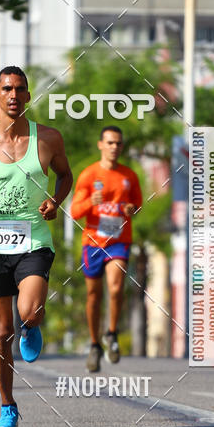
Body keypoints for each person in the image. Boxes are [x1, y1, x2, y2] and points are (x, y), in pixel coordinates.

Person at [0, 66, 73, 427]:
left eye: (20, 89)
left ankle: (33, 323)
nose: (13, 95)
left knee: (29, 310)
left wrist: (55, 199)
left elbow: (66, 174)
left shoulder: (48, 139)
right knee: (0, 330)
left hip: (33, 240)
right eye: (6, 89)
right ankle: (8, 406)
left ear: (28, 95)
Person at [70, 126, 142, 372]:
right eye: (110, 143)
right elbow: (75, 211)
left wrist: (131, 209)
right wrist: (92, 201)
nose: (114, 147)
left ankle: (111, 333)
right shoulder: (89, 175)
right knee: (93, 295)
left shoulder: (129, 176)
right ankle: (94, 344)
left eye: (118, 144)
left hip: (119, 240)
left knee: (116, 286)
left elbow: (138, 204)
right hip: (93, 243)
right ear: (101, 144)